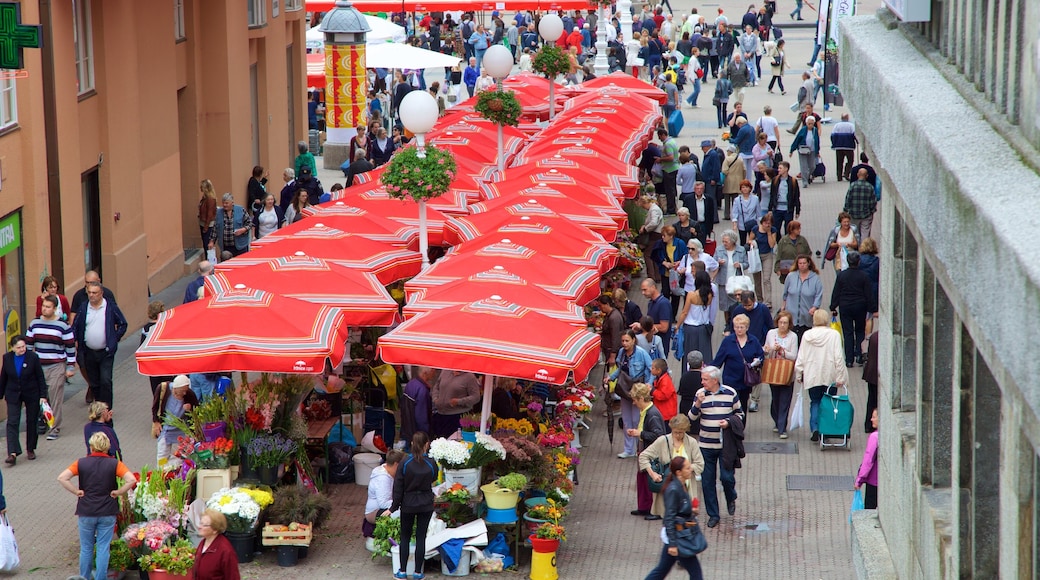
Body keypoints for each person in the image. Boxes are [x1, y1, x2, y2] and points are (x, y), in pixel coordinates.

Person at [58, 432, 137, 580]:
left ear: (91, 446)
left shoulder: (81, 463)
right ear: (107, 446)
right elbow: (131, 479)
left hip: (86, 510)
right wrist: (119, 492)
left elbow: (62, 477)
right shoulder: (114, 464)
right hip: (107, 511)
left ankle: (84, 577)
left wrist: (76, 491)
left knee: (86, 548)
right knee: (103, 548)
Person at [687, 365, 742, 528]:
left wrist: (728, 423)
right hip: (705, 445)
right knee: (707, 482)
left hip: (725, 445)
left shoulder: (730, 393)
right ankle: (713, 514)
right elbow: (691, 417)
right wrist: (698, 402)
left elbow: (740, 414)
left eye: (705, 379)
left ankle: (731, 496)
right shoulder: (700, 394)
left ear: (715, 380)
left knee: (726, 477)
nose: (702, 382)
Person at [644, 455, 705, 580]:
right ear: (679, 472)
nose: (690, 470)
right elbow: (669, 517)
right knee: (696, 574)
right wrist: (672, 544)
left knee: (661, 570)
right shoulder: (673, 489)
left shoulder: (681, 485)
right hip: (677, 536)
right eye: (687, 468)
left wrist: (691, 511)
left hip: (677, 535)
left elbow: (679, 510)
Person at [794, 309, 849, 442]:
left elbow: (801, 356)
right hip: (829, 374)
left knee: (815, 401)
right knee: (829, 402)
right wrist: (840, 377)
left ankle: (815, 428)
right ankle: (827, 430)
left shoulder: (807, 335)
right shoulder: (834, 335)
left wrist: (799, 373)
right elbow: (838, 357)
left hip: (812, 374)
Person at [27, 296, 77, 441]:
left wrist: (70, 367)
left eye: (48, 307)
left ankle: (54, 427)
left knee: (55, 397)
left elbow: (70, 346)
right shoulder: (35, 323)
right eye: (44, 306)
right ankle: (42, 421)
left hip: (56, 366)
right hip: (38, 367)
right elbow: (29, 344)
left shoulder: (62, 325)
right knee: (40, 397)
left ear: (55, 308)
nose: (45, 309)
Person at [391, 432, 439, 580]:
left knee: (404, 538)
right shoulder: (431, 463)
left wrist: (394, 507)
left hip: (408, 504)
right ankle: (418, 572)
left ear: (412, 444)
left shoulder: (405, 463)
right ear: (426, 444)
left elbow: (398, 487)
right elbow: (434, 478)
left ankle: (403, 571)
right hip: (426, 503)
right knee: (421, 538)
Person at [72, 283, 127, 412]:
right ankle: (98, 408)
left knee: (106, 380)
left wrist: (114, 339)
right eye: (89, 292)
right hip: (89, 352)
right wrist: (75, 341)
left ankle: (107, 409)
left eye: (94, 293)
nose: (91, 295)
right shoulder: (84, 307)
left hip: (105, 352)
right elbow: (75, 326)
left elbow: (123, 324)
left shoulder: (109, 307)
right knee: (94, 382)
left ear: (101, 293)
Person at [640, 414, 705, 520]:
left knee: (685, 519)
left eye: (681, 432)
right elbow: (643, 456)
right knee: (669, 518)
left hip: (686, 489)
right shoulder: (662, 441)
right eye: (675, 432)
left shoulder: (692, 442)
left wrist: (686, 469)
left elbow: (700, 464)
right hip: (668, 488)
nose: (678, 435)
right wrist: (652, 474)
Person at [606, 329, 654, 459]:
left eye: (627, 340)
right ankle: (628, 450)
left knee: (637, 420)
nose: (624, 343)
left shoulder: (642, 353)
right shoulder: (621, 353)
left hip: (637, 391)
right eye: (623, 341)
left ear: (633, 340)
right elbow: (620, 370)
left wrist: (649, 384)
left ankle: (639, 449)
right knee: (627, 421)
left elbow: (651, 370)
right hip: (625, 390)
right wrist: (610, 377)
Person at [1, 335, 48, 465]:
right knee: (12, 421)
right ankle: (13, 452)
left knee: (31, 421)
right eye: (19, 347)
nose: (22, 349)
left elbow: (40, 377)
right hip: (13, 393)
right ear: (12, 348)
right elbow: (3, 377)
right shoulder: (7, 358)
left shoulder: (33, 357)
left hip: (31, 393)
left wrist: (43, 395)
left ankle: (30, 448)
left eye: (23, 346)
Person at [628, 382, 667, 519]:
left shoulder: (652, 414)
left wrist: (640, 434)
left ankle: (653, 509)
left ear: (641, 398)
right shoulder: (647, 412)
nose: (633, 403)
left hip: (651, 454)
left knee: (650, 481)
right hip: (644, 451)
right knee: (643, 480)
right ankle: (644, 507)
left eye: (634, 400)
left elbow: (659, 435)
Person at [830, 252, 876, 367]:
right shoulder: (864, 276)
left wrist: (833, 306)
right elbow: (868, 294)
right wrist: (872, 308)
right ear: (858, 262)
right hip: (860, 306)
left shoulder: (842, 275)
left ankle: (849, 359)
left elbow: (836, 292)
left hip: (845, 306)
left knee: (848, 332)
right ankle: (860, 355)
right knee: (860, 330)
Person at [711, 313, 764, 414]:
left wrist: (757, 361)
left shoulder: (753, 341)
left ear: (747, 328)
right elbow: (718, 360)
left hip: (746, 381)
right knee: (730, 406)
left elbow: (761, 356)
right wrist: (708, 370)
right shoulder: (728, 341)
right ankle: (731, 427)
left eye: (741, 327)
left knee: (742, 405)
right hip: (730, 380)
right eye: (736, 327)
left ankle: (740, 427)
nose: (739, 329)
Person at [151, 375, 199, 471]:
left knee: (185, 454)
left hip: (182, 429)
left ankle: (181, 470)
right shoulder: (163, 388)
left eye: (186, 390)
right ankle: (162, 472)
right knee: (162, 455)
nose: (184, 393)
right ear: (175, 388)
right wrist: (156, 422)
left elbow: (196, 409)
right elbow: (155, 406)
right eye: (182, 391)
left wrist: (190, 409)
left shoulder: (189, 394)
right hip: (166, 429)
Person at [763, 310, 799, 437]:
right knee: (775, 399)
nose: (782, 325)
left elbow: (794, 355)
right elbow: (766, 349)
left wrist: (782, 351)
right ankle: (777, 420)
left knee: (785, 399)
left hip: (787, 371)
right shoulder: (771, 333)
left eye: (785, 323)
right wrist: (767, 350)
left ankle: (782, 427)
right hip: (773, 370)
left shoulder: (793, 336)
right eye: (780, 322)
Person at [363, 449, 406, 537]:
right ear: (396, 464)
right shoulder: (382, 479)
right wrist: (402, 503)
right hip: (375, 512)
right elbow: (383, 503)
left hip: (385, 507)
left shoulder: (389, 472)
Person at [782, 254, 824, 339]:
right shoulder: (791, 276)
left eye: (804, 263)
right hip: (791, 315)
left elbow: (818, 294)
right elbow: (785, 293)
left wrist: (815, 307)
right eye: (800, 263)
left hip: (807, 316)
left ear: (808, 263)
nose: (802, 265)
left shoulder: (815, 278)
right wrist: (783, 306)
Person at [678, 270, 715, 363]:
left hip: (691, 328)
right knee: (705, 354)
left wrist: (677, 326)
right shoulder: (710, 295)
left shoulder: (691, 294)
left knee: (690, 355)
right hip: (704, 328)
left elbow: (684, 312)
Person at [193, 509, 242, 580]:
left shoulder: (225, 551)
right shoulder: (203, 543)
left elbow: (233, 577)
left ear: (215, 530)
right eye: (200, 523)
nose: (200, 527)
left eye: (204, 525)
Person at [430, 370, 480, 439]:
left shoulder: (469, 377)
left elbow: (476, 397)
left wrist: (459, 401)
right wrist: (435, 399)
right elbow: (436, 387)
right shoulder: (445, 372)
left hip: (457, 417)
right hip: (440, 416)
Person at [652, 226, 689, 320]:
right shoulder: (660, 244)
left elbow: (686, 256)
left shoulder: (680, 243)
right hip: (665, 274)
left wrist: (679, 263)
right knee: (665, 293)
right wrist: (664, 263)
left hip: (677, 275)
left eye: (664, 236)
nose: (662, 238)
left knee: (676, 295)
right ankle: (665, 315)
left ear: (671, 236)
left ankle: (672, 316)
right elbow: (654, 255)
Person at [713, 230, 749, 322]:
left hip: (737, 282)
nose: (724, 243)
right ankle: (727, 324)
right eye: (723, 241)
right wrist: (718, 263)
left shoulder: (741, 250)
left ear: (733, 241)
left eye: (726, 241)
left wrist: (740, 265)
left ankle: (739, 321)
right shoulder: (719, 249)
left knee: (738, 302)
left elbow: (747, 264)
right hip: (723, 282)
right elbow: (713, 263)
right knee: (725, 305)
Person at [639, 277, 674, 355]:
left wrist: (642, 326)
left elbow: (664, 327)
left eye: (645, 290)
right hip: (652, 344)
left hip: (660, 346)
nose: (643, 293)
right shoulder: (651, 303)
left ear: (653, 287)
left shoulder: (663, 303)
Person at [400, 367, 435, 444]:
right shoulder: (422, 390)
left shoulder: (411, 383)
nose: (434, 371)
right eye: (432, 369)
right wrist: (425, 437)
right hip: (417, 436)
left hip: (407, 430)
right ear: (425, 373)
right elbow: (421, 417)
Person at [767, 161, 801, 235]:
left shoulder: (793, 181)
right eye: (778, 168)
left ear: (786, 169)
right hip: (777, 209)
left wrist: (797, 210)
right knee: (776, 229)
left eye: (780, 168)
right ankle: (779, 243)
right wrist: (770, 208)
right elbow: (772, 195)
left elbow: (796, 197)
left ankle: (786, 244)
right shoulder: (775, 180)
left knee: (788, 229)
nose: (778, 170)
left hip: (788, 209)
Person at [843, 167, 878, 240]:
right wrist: (872, 211)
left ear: (858, 175)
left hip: (853, 214)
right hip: (866, 214)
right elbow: (873, 201)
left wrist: (845, 210)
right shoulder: (870, 187)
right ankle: (864, 248)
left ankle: (856, 247)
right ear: (867, 176)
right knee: (865, 232)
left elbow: (848, 199)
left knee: (855, 232)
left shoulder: (853, 185)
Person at [214, 193, 252, 258]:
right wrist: (212, 241)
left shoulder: (240, 210)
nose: (224, 205)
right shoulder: (218, 213)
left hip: (240, 246)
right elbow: (215, 229)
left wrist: (243, 230)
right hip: (225, 247)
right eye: (223, 203)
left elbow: (249, 223)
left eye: (226, 203)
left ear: (232, 203)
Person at [751, 213, 778, 306]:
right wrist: (753, 243)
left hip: (767, 255)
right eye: (765, 223)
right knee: (757, 279)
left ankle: (768, 301)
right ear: (762, 222)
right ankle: (759, 299)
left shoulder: (773, 231)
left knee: (766, 279)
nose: (767, 225)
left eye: (769, 223)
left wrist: (769, 233)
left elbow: (772, 245)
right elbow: (749, 240)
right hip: (756, 256)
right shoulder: (755, 229)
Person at [638, 195, 666, 282]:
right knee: (654, 254)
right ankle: (657, 276)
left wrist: (645, 229)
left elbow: (654, 222)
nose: (644, 208)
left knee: (648, 255)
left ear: (645, 203)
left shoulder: (654, 209)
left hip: (655, 234)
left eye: (643, 206)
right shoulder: (654, 208)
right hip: (656, 234)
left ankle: (651, 276)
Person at [855, 409, 879, 509]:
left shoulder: (875, 437)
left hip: (873, 481)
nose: (871, 419)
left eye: (874, 417)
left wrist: (859, 480)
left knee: (869, 510)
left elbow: (868, 460)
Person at [790, 115, 821, 188]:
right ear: (806, 123)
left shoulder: (815, 130)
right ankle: (805, 181)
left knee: (812, 166)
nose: (810, 125)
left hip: (812, 151)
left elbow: (817, 141)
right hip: (803, 150)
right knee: (804, 166)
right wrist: (792, 150)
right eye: (809, 123)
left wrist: (818, 152)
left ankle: (807, 176)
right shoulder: (803, 130)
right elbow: (797, 140)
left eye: (812, 124)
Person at [720, 146, 745, 220]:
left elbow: (724, 170)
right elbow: (744, 170)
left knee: (727, 199)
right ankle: (736, 215)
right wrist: (742, 178)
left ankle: (727, 215)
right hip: (738, 181)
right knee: (735, 199)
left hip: (728, 181)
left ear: (730, 151)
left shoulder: (727, 159)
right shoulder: (740, 159)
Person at [831, 113, 857, 181]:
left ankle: (839, 177)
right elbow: (855, 135)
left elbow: (832, 135)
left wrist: (834, 144)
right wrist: (857, 142)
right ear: (847, 118)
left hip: (839, 147)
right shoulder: (851, 125)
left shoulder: (837, 125)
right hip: (849, 146)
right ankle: (846, 173)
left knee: (839, 162)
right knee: (850, 160)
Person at [862, 329, 879, 434]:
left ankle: (868, 424)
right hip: (878, 374)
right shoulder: (883, 338)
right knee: (877, 400)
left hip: (870, 372)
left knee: (871, 399)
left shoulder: (874, 336)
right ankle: (874, 423)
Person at [678, 351, 704, 416]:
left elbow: (681, 391)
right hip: (699, 406)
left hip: (685, 406)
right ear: (702, 363)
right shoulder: (704, 377)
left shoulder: (684, 376)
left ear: (688, 364)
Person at [197, 179, 218, 250]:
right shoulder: (205, 198)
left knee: (207, 245)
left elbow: (210, 214)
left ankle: (209, 259)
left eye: (202, 187)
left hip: (208, 225)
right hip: (203, 223)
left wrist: (206, 227)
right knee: (205, 244)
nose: (200, 188)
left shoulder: (210, 199)